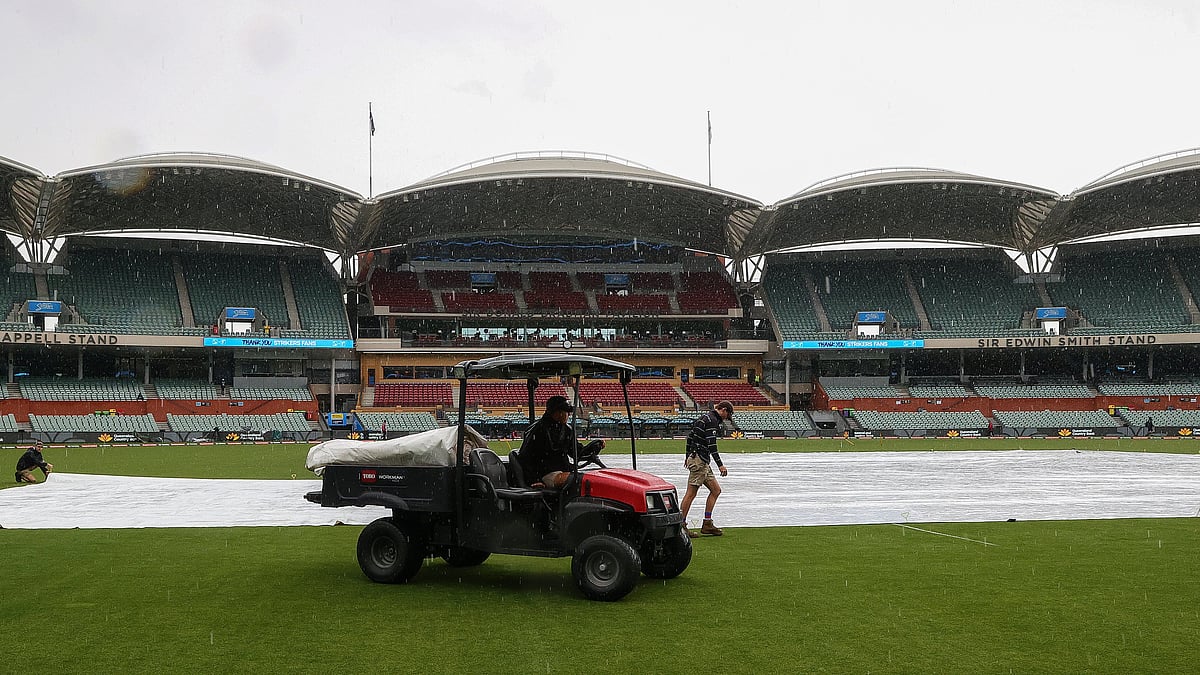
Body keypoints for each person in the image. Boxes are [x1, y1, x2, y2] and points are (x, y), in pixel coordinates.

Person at [517, 395, 603, 489]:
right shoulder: (538, 430)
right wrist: (535, 480)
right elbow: (525, 458)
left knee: (588, 479)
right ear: (558, 412)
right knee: (578, 481)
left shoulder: (566, 430)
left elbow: (576, 452)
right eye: (566, 412)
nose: (569, 415)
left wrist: (594, 447)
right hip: (544, 474)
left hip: (563, 471)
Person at [681, 400, 735, 537]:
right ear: (723, 409)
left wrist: (687, 456)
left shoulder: (704, 418)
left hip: (700, 460)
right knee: (691, 493)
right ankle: (680, 525)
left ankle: (707, 524)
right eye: (727, 415)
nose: (726, 418)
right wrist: (720, 465)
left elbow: (690, 438)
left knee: (716, 490)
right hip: (700, 460)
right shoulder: (712, 421)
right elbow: (712, 445)